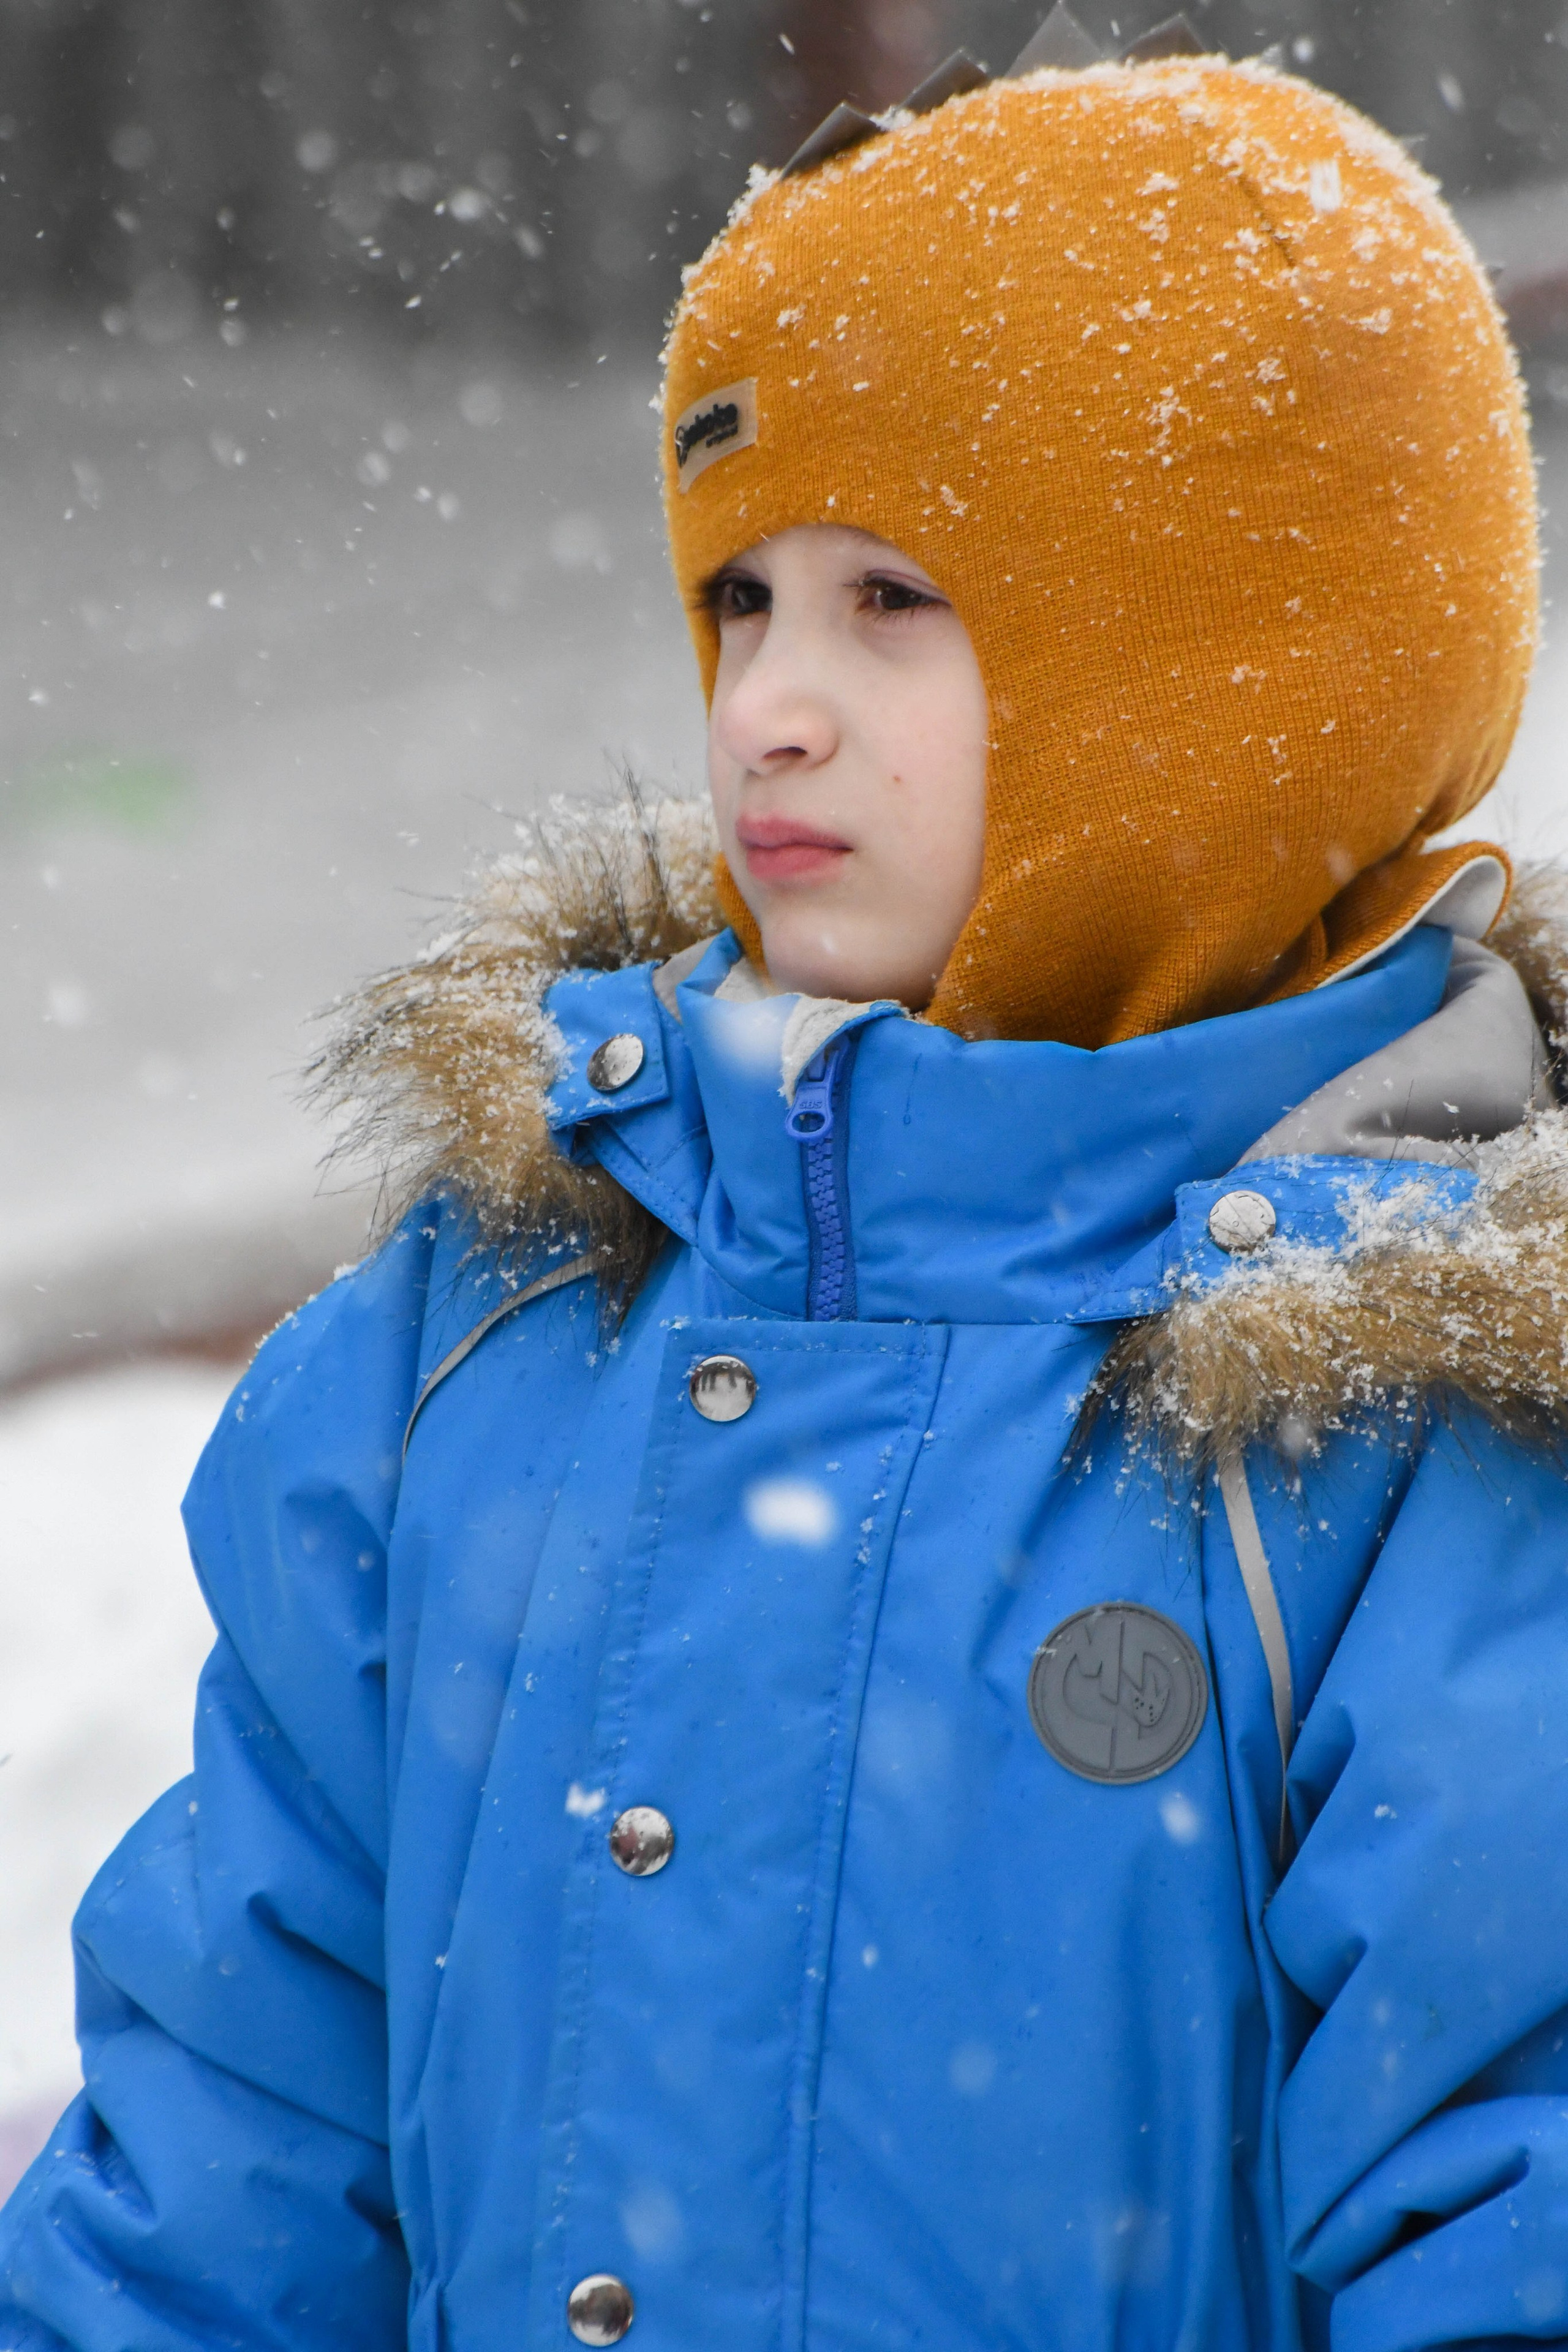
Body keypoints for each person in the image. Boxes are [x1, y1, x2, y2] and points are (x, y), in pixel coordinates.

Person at [1, 34, 1564, 2352]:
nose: (770, 710)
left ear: (1232, 674)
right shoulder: (481, 1351)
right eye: (740, 600)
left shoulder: (1423, 1441)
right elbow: (222, 2171)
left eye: (893, 601)